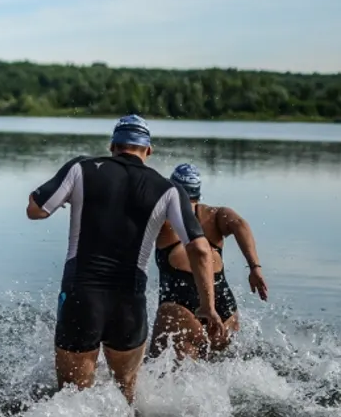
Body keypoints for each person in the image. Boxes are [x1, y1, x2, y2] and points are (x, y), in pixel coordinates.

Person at [26, 114, 224, 404]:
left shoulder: (81, 168)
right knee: (126, 397)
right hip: (129, 303)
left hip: (82, 296)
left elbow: (35, 210)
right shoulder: (169, 189)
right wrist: (208, 306)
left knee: (69, 399)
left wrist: (62, 196)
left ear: (113, 146)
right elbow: (201, 250)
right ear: (148, 151)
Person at [147, 163, 268, 361]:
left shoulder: (165, 219)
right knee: (220, 366)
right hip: (223, 303)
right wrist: (255, 268)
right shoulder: (217, 215)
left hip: (180, 304)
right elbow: (240, 224)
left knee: (158, 366)